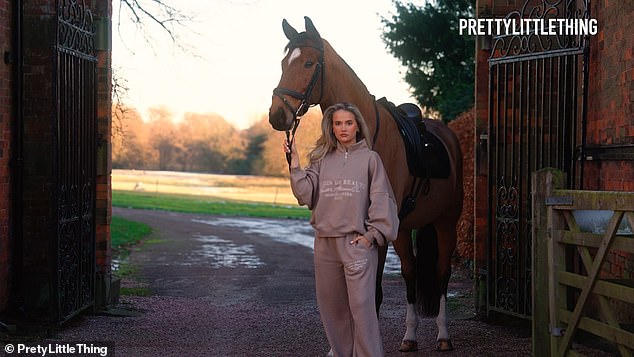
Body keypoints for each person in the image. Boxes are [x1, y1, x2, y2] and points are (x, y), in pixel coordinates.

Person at [283, 102, 399, 357]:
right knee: (333, 311)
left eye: (348, 122)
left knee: (362, 311)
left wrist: (371, 237)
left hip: (356, 245)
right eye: (337, 123)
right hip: (325, 246)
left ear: (357, 125)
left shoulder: (371, 159)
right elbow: (306, 195)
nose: (343, 128)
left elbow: (382, 199)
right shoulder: (321, 159)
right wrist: (295, 165)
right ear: (331, 128)